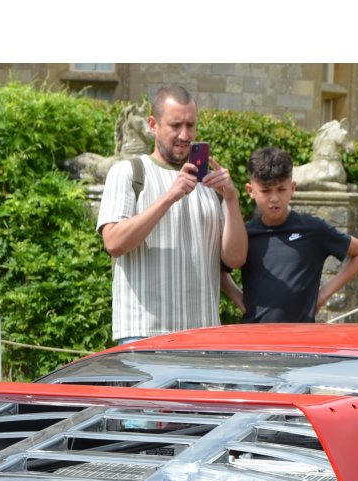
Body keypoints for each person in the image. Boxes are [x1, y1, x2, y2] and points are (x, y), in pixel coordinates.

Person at [97, 85, 247, 343]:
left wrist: (232, 199)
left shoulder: (211, 186)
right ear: (153, 125)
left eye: (191, 125)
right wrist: (169, 197)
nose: (185, 135)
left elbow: (234, 258)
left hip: (203, 334)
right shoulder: (128, 172)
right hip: (144, 333)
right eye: (176, 125)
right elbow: (113, 242)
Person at [223, 146, 358, 323]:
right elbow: (218, 268)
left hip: (301, 340)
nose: (274, 198)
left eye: (281, 189)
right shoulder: (244, 235)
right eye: (265, 191)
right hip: (254, 339)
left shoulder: (313, 229)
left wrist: (324, 294)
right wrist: (239, 299)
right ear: (250, 191)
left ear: (292, 188)